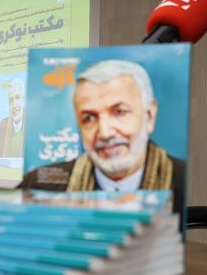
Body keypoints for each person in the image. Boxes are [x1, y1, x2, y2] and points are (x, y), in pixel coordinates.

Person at [21, 59, 185, 212]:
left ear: (149, 116)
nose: (105, 133)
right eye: (89, 118)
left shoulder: (183, 182)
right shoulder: (41, 186)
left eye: (119, 112)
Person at [0, 78, 25, 157]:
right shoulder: (1, 126)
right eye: (11, 100)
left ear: (24, 99)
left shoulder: (33, 125)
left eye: (17, 97)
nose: (14, 105)